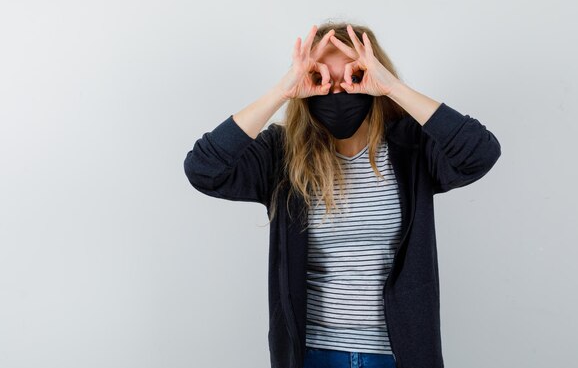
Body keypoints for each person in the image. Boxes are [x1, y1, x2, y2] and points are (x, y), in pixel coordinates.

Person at [183, 22, 501, 368]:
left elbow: (479, 152)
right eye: (321, 79)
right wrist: (282, 90)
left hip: (398, 354)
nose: (337, 90)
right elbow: (204, 168)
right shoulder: (282, 153)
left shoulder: (411, 146)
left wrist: (392, 87)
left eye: (354, 74)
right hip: (312, 354)